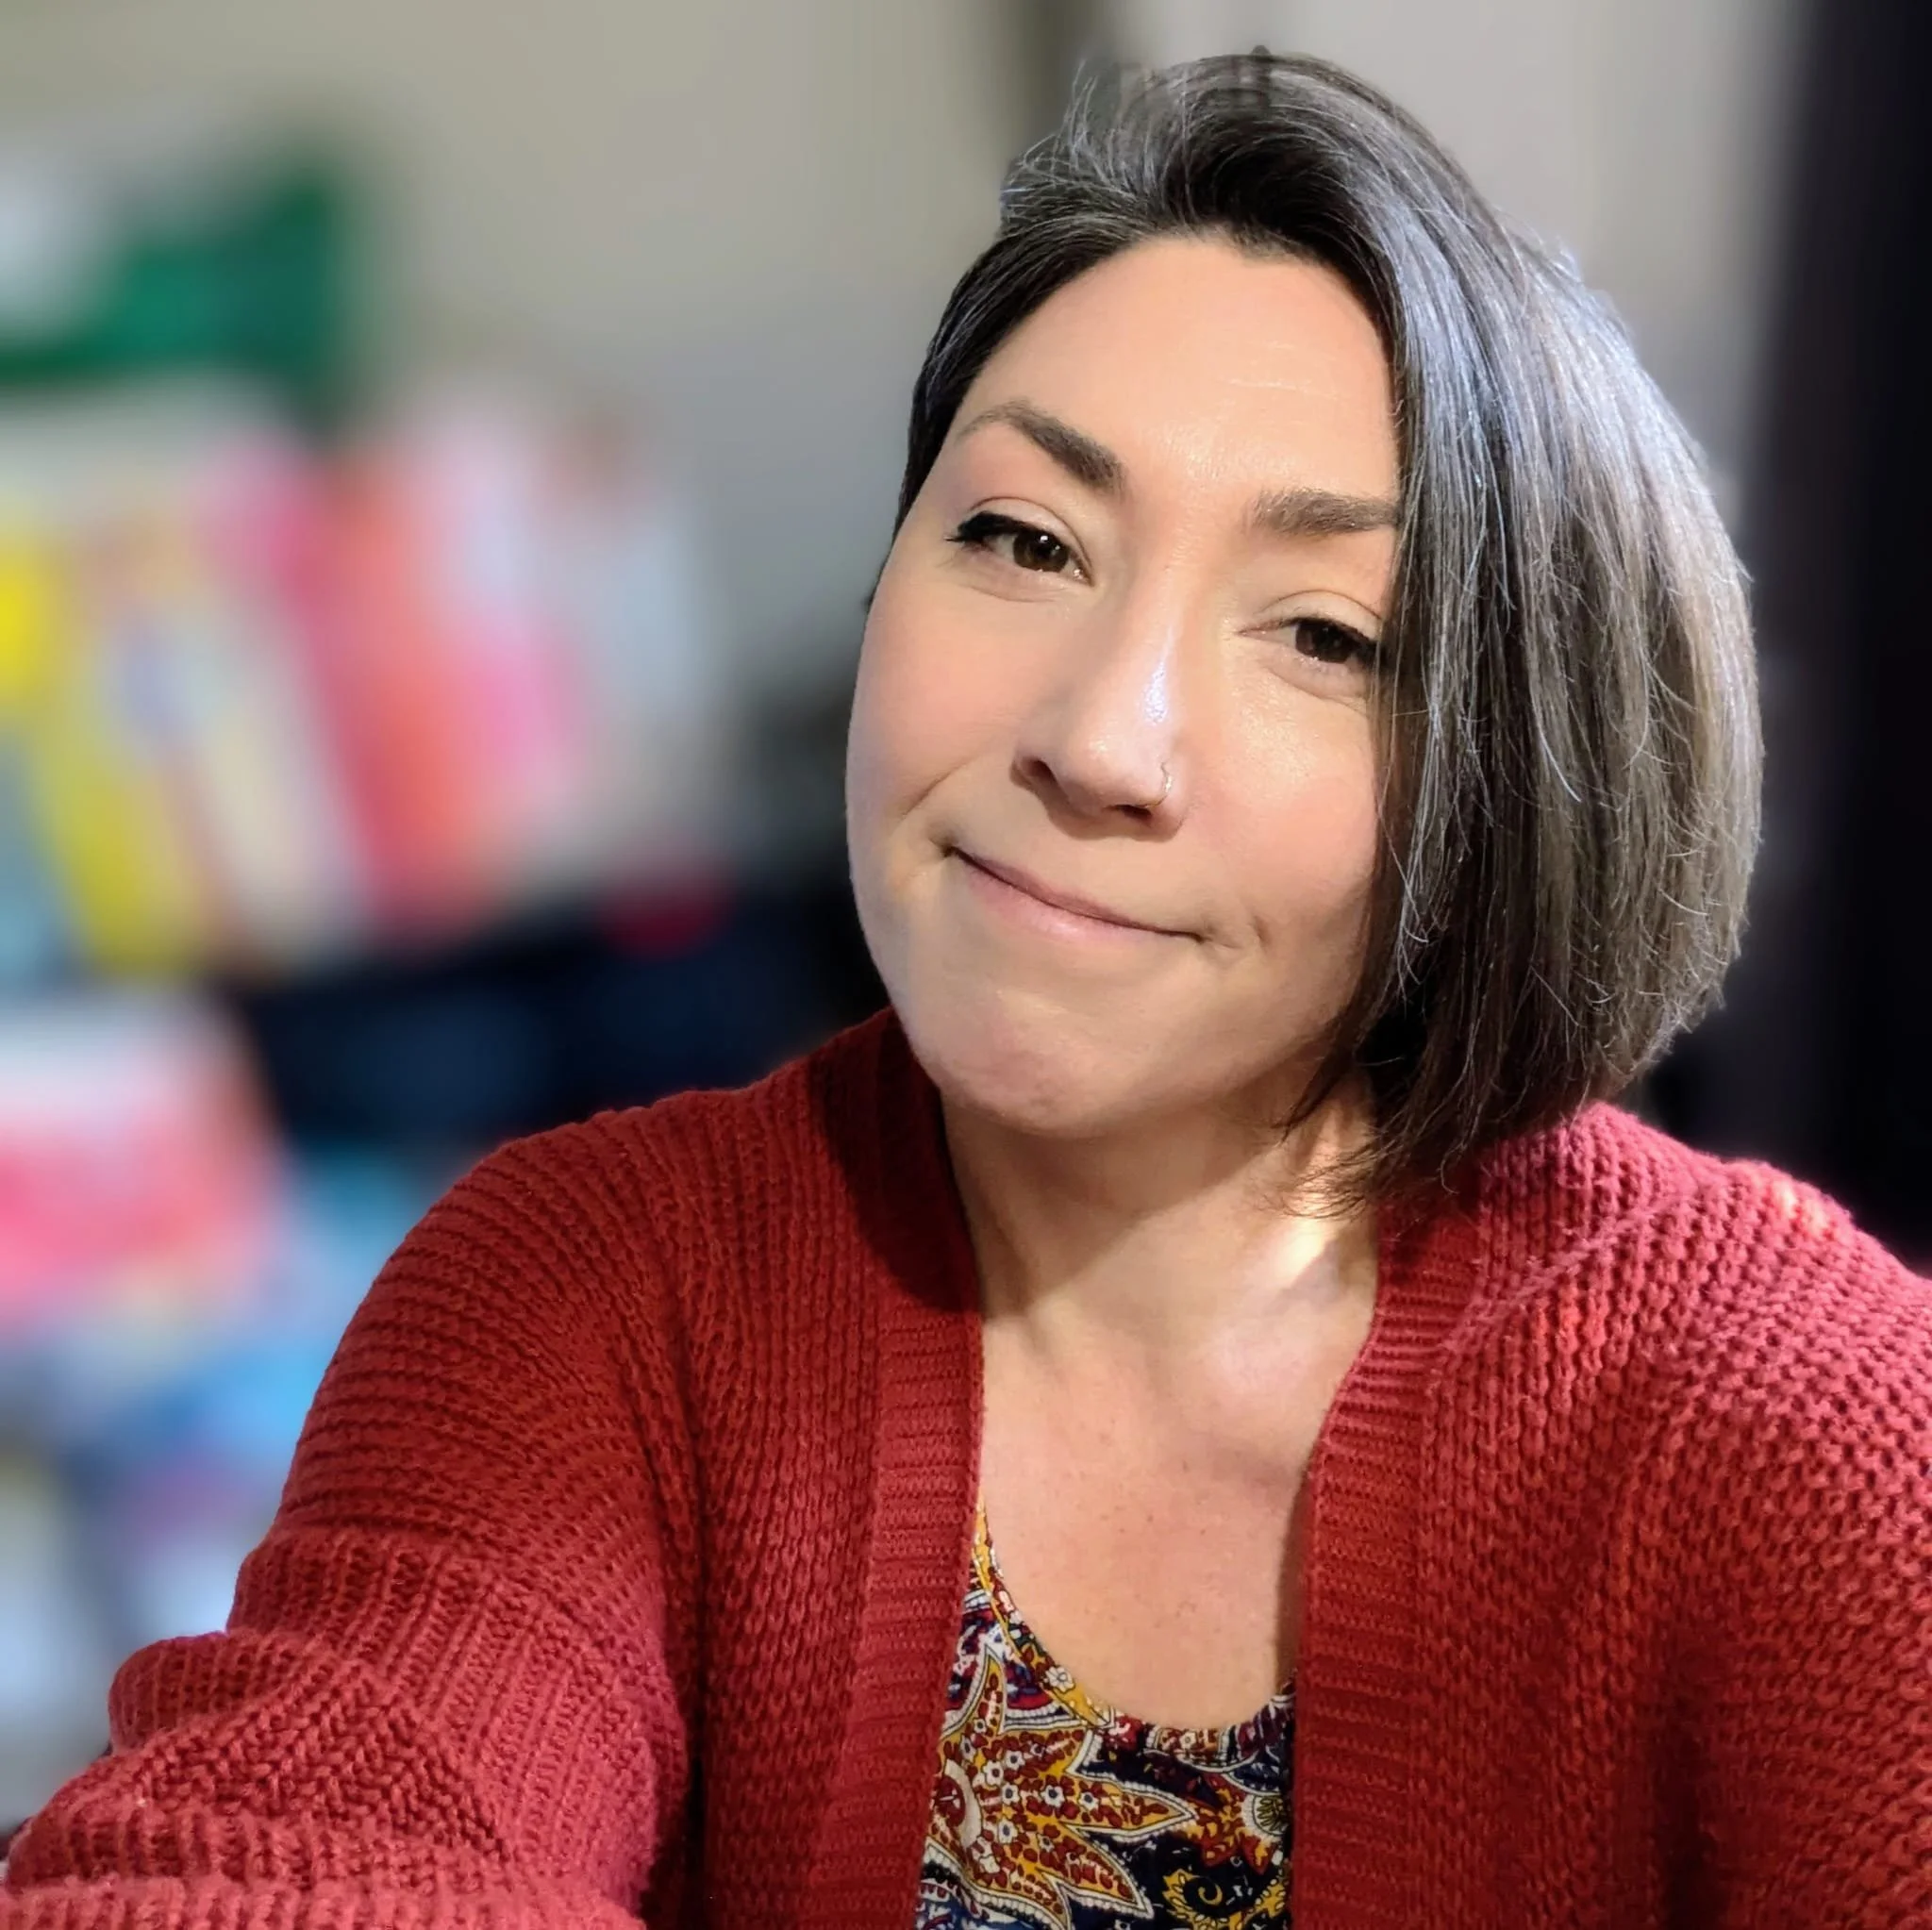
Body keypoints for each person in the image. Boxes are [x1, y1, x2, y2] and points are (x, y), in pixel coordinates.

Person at [6, 50, 1926, 1930]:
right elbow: (276, 1852)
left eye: (1326, 637)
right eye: (1021, 537)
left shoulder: (1784, 1407)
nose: (1101, 739)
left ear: (1524, 785)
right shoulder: (587, 1297)